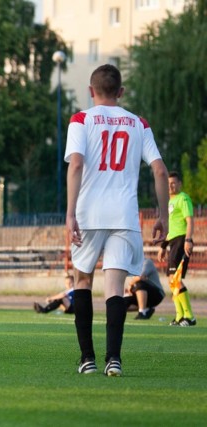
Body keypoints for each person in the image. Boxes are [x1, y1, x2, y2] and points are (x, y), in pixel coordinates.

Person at [65, 64, 169, 376]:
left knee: (83, 281)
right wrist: (163, 215)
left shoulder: (81, 119)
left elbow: (76, 165)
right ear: (121, 92)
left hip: (88, 213)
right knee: (115, 286)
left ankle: (87, 359)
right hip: (124, 215)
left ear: (90, 91)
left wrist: (70, 213)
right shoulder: (139, 123)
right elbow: (160, 170)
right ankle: (114, 359)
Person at [158, 172, 197, 326]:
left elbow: (190, 221)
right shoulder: (169, 202)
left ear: (179, 184)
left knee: (176, 279)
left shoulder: (183, 198)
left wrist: (188, 240)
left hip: (182, 241)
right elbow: (170, 229)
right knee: (171, 280)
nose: (171, 186)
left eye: (173, 183)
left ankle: (190, 316)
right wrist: (163, 246)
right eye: (168, 183)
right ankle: (179, 315)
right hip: (173, 242)